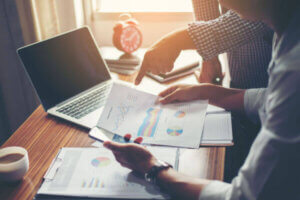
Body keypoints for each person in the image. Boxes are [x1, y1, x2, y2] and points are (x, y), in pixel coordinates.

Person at [104, 0, 300, 199]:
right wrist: (207, 92)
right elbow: (271, 99)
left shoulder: (294, 68)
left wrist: (152, 167)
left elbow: (242, 196)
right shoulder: (288, 33)